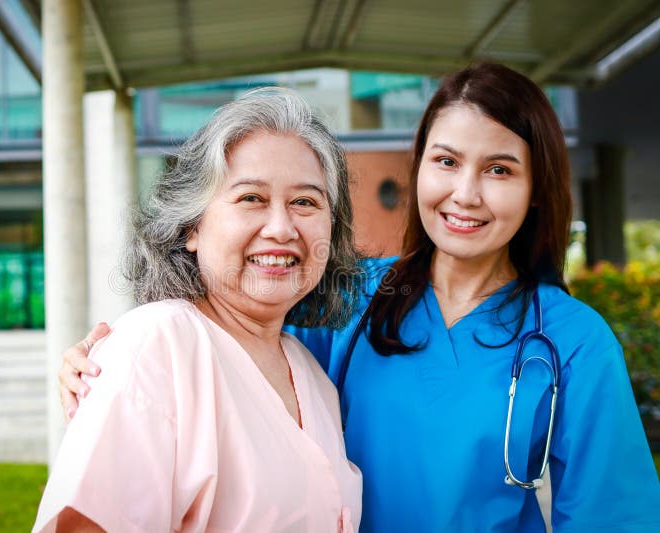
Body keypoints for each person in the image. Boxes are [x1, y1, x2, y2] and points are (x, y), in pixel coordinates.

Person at [59, 63, 660, 532]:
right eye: (446, 161)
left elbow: (614, 518)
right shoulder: (350, 294)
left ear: (536, 190)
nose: (465, 194)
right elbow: (227, 334)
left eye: (500, 170)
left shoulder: (572, 341)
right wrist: (108, 357)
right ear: (419, 168)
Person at [33, 88, 363, 533]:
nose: (282, 228)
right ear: (192, 226)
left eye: (305, 202)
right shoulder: (155, 347)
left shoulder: (310, 374)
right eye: (251, 198)